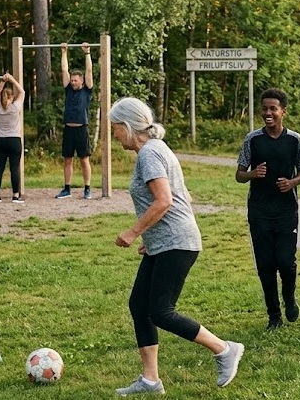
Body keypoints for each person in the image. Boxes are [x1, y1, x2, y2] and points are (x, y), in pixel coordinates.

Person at [109, 97, 244, 395]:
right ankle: (150, 380)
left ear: (128, 126)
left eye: (115, 127)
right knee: (139, 305)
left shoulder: (149, 153)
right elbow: (184, 197)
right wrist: (153, 239)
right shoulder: (156, 149)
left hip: (178, 243)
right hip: (166, 242)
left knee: (160, 311)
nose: (114, 134)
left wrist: (134, 232)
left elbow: (165, 200)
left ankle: (224, 349)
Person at [235, 88, 300, 331]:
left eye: (273, 109)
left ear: (283, 111)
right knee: (265, 265)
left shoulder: (294, 140)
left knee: (286, 262)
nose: (268, 113)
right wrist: (253, 174)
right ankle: (274, 315)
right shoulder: (252, 139)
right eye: (264, 108)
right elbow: (239, 174)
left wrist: (292, 183)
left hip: (286, 211)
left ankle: (289, 298)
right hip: (259, 211)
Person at [56, 42, 94, 200]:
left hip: (81, 129)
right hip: (68, 129)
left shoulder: (87, 90)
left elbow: (89, 70)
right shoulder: (68, 90)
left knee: (84, 160)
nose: (72, 82)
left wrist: (87, 53)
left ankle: (87, 188)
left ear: (82, 81)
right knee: (67, 160)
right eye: (71, 80)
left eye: (75, 81)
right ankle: (67, 189)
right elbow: (64, 70)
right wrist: (64, 52)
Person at [0, 73, 25, 203]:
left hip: (0, 140)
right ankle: (15, 195)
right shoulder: (15, 107)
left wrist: (3, 81)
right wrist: (11, 79)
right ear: (12, 97)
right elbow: (22, 91)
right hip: (14, 140)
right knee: (14, 168)